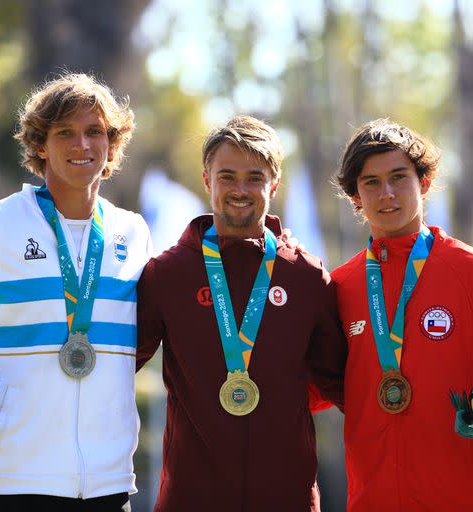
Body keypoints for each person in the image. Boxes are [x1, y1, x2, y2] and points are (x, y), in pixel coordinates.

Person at [0, 73, 151, 511]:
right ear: (40, 145)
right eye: (65, 133)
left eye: (95, 131)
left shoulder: (133, 232)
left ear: (112, 143)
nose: (82, 145)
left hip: (107, 486)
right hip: (4, 484)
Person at [330, 118, 473, 511]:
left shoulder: (472, 271)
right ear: (355, 195)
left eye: (398, 177)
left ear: (423, 183)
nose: (386, 193)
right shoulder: (341, 287)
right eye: (370, 182)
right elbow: (315, 386)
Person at [136, 115, 347, 511]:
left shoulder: (305, 276)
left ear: (275, 184)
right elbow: (115, 366)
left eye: (254, 177)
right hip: (191, 499)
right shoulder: (167, 274)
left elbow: (344, 387)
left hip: (287, 499)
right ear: (206, 180)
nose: (240, 189)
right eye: (227, 176)